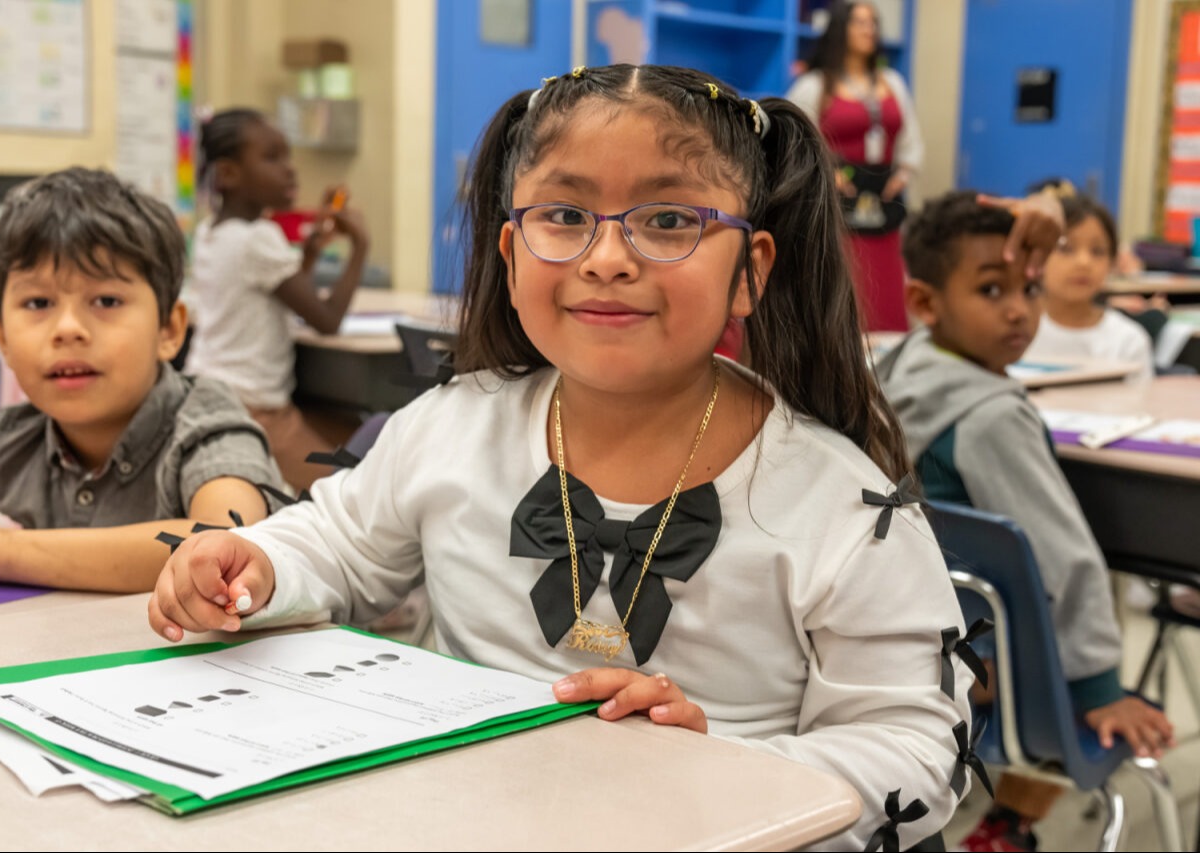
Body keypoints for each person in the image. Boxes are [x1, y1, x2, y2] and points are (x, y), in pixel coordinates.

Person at [149, 64, 976, 851]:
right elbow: (339, 543)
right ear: (510, 258)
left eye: (669, 220)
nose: (607, 258)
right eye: (565, 216)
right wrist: (254, 561)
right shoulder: (452, 424)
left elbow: (912, 747)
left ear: (750, 271)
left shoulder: (843, 506)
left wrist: (727, 768)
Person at [876, 190, 1175, 852]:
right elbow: (1068, 561)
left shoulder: (891, 368)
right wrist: (1099, 687)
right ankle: (1009, 825)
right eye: (991, 289)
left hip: (901, 644)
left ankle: (1005, 824)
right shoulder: (992, 415)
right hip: (993, 676)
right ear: (926, 303)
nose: (1019, 309)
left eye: (1029, 288)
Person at [0, 168, 279, 591]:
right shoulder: (17, 436)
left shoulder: (205, 420)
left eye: (106, 300)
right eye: (38, 302)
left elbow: (228, 542)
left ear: (168, 329)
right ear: (1, 336)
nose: (68, 328)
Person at [185, 108, 371, 492]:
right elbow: (326, 319)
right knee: (350, 491)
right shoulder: (258, 238)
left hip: (206, 394)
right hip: (255, 413)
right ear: (228, 174)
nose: (290, 170)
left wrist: (310, 253)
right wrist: (360, 247)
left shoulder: (211, 232)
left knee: (348, 434)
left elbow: (280, 291)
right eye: (272, 158)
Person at [787, 0, 923, 332]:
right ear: (839, 29)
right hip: (839, 206)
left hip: (885, 203)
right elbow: (794, 136)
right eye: (859, 22)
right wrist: (826, 173)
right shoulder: (815, 84)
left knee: (888, 284)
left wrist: (904, 172)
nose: (869, 29)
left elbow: (910, 137)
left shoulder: (892, 82)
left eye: (873, 22)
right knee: (847, 285)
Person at [1024, 193, 1154, 383]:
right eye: (1066, 248)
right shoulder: (1017, 330)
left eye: (1098, 251)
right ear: (1035, 256)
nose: (1084, 263)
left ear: (1112, 263)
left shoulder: (1128, 340)